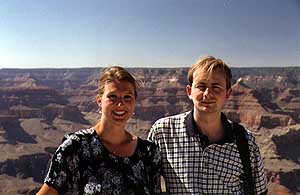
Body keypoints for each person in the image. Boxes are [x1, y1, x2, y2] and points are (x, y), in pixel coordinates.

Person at [148, 56, 268, 194]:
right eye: (201, 86)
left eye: (216, 87)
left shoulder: (245, 141)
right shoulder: (163, 132)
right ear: (189, 92)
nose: (207, 94)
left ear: (228, 94)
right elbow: (147, 186)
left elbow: (260, 192)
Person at [36, 66, 161, 195]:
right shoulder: (75, 147)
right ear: (99, 101)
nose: (120, 104)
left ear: (135, 101)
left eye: (127, 97)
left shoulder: (148, 153)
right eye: (112, 97)